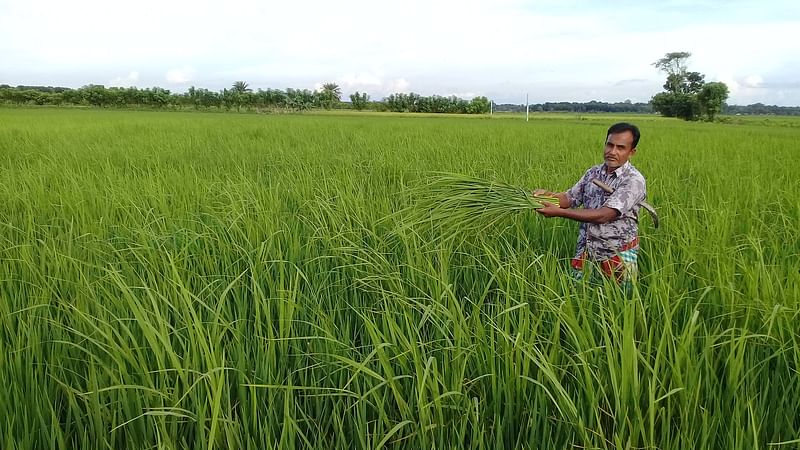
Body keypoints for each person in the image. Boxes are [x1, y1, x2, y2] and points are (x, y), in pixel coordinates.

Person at [534, 122, 646, 289]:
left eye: (620, 147)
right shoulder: (593, 172)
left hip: (618, 254)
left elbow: (604, 215)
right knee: (579, 299)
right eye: (609, 145)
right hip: (587, 250)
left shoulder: (633, 180)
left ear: (631, 152)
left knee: (618, 307)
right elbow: (569, 198)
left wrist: (558, 212)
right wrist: (549, 196)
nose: (612, 151)